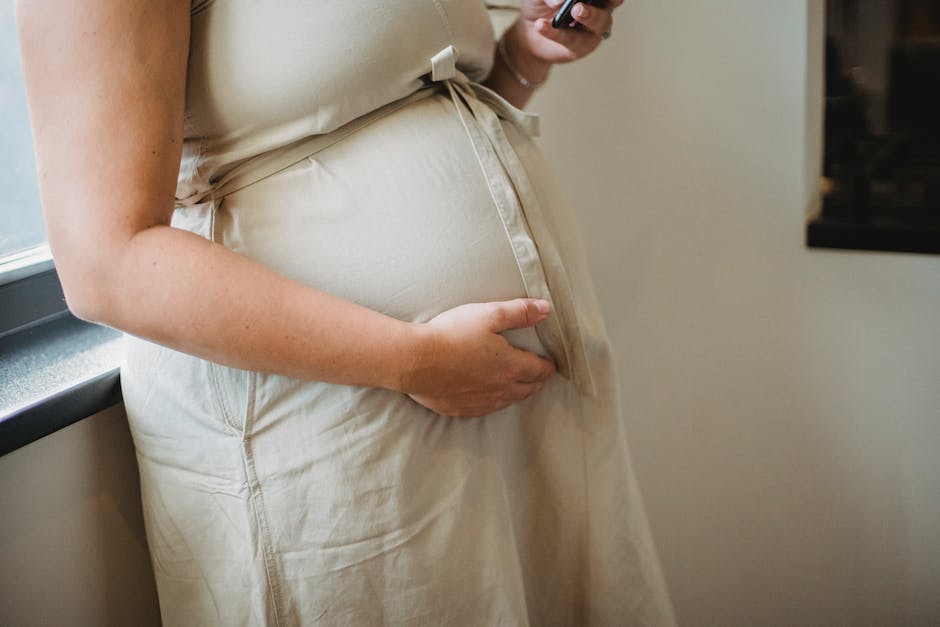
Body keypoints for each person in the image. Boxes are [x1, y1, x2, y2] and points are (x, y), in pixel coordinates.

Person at [17, 0, 675, 624]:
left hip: (503, 413)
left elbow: (399, 97)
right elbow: (106, 262)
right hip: (332, 413)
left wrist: (522, 58)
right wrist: (414, 360)